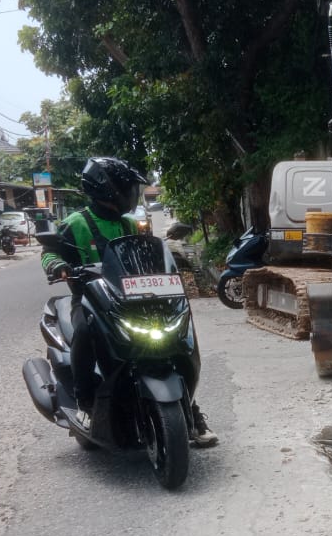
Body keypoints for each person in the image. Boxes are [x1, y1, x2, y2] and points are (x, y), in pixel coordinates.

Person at [41, 156, 218, 447]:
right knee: (84, 333)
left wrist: (173, 260)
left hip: (134, 299)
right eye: (128, 188)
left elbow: (148, 254)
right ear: (107, 189)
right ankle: (84, 401)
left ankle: (192, 410)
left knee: (173, 338)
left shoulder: (130, 224)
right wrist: (57, 265)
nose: (132, 195)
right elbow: (50, 252)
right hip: (89, 299)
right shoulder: (75, 224)